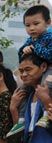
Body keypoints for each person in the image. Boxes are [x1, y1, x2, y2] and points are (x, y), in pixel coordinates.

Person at [9, 5, 52, 135]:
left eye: (36, 23)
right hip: (39, 69)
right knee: (22, 89)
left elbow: (49, 54)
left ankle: (46, 114)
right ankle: (22, 119)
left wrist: (34, 49)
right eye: (27, 25)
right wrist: (23, 50)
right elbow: (22, 58)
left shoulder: (49, 37)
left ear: (48, 22)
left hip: (49, 69)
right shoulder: (30, 39)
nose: (32, 28)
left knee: (47, 85)